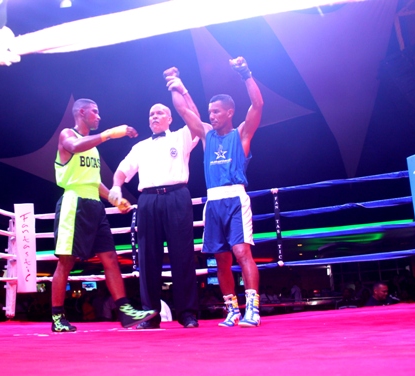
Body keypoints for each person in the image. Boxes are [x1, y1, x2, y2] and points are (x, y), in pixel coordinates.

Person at [167, 56, 264, 327]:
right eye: (210, 113)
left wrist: (246, 73)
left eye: (217, 112)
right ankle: (232, 310)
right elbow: (184, 111)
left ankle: (253, 309)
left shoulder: (241, 135)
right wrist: (174, 84)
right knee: (221, 258)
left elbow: (258, 105)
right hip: (213, 202)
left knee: (241, 252)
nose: (211, 116)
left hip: (235, 199)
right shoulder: (206, 135)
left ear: (229, 112)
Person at [52, 98, 158, 332]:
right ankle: (58, 317)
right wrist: (109, 134)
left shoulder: (93, 149)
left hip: (95, 206)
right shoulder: (67, 134)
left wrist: (113, 198)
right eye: (95, 112)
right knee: (66, 261)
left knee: (110, 256)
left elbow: (94, 181)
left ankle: (125, 311)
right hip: (74, 203)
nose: (99, 116)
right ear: (81, 112)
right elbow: (74, 146)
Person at [109, 88, 205, 329]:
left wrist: (181, 90)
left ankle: (187, 313)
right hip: (148, 201)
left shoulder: (181, 136)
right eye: (151, 114)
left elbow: (195, 118)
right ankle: (150, 315)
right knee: (148, 258)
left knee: (182, 256)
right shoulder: (140, 147)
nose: (154, 116)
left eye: (160, 113)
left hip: (177, 197)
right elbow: (122, 170)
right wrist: (116, 187)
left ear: (170, 118)